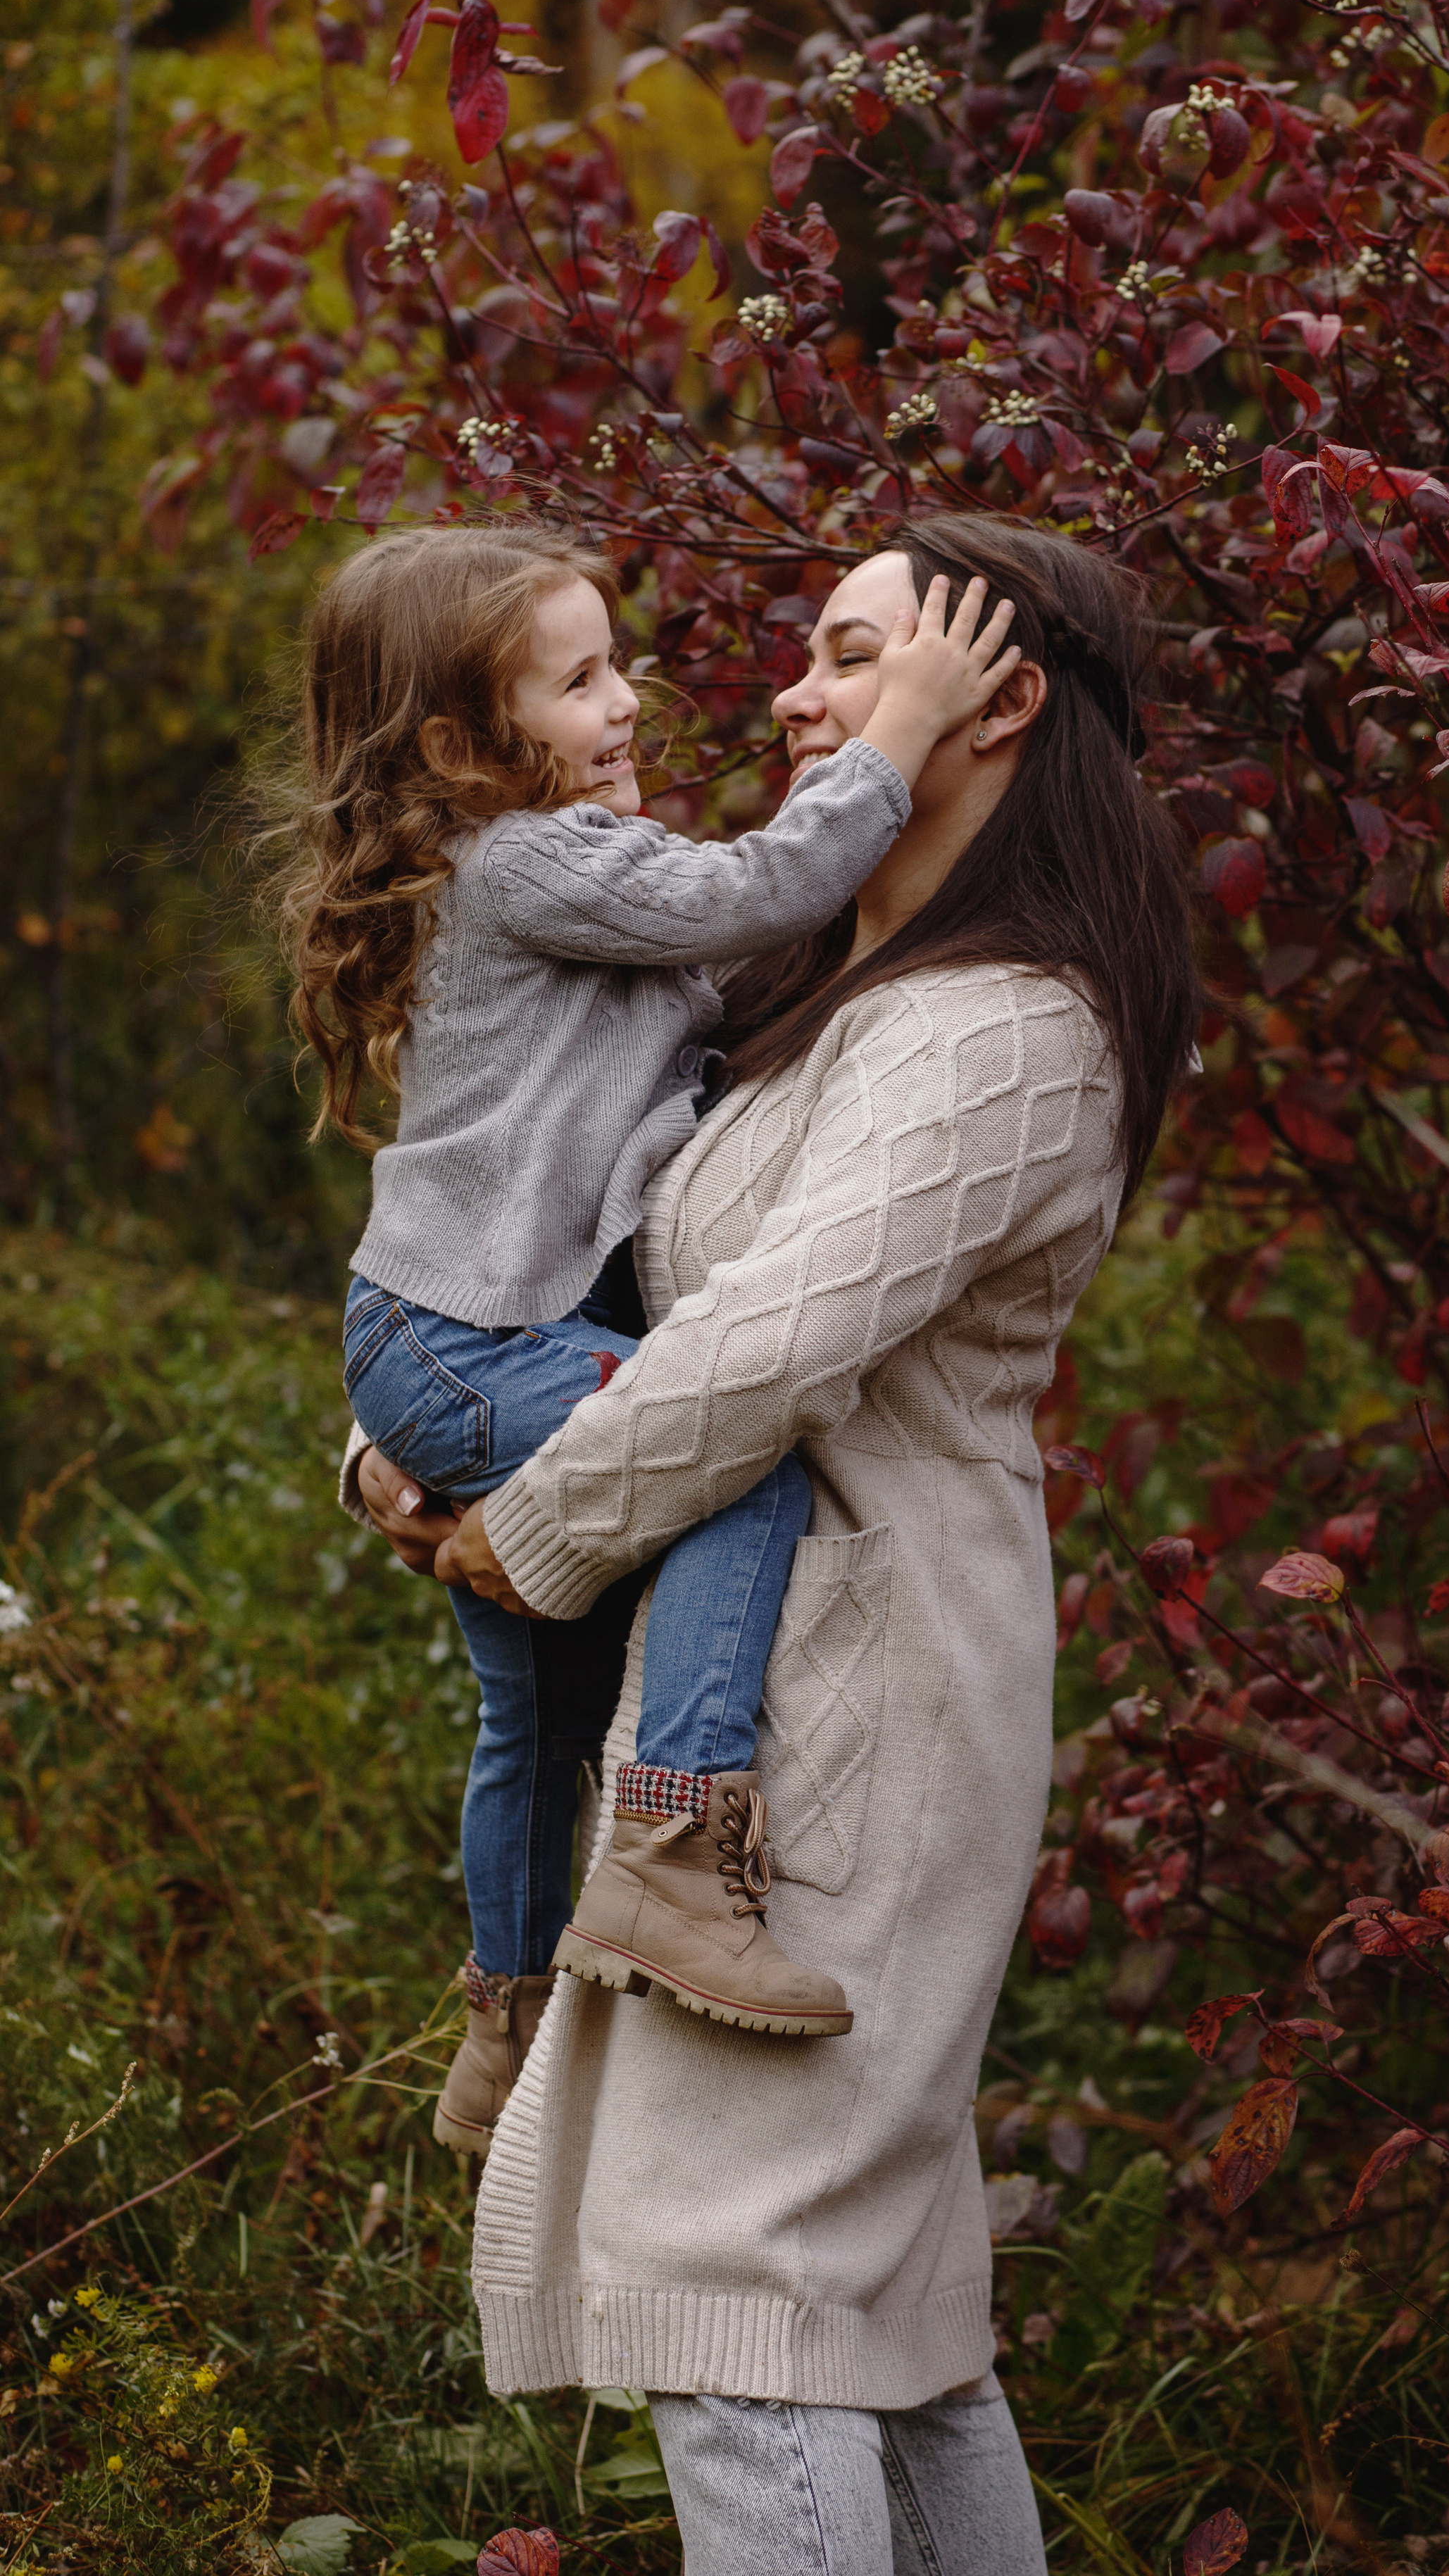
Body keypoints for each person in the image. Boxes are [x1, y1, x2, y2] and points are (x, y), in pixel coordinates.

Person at [356, 511, 1200, 2575]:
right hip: (759, 1696)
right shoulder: (825, 997)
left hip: (867, 1704)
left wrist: (517, 1537)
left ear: (994, 703)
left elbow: (760, 1350)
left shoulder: (1003, 1030)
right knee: (881, 2327)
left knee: (742, 2317)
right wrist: (391, 1460)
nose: (795, 705)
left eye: (851, 662)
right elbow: (549, 1259)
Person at [276, 520, 1020, 2152]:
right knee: (726, 1471)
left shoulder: (547, 861)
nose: (630, 702)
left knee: (531, 1712)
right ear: (467, 752)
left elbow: (733, 948)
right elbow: (762, 887)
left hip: (449, 1334)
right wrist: (897, 731)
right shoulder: (531, 862)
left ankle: (508, 2013)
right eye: (580, 682)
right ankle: (675, 1858)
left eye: (615, 664)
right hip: (473, 1341)